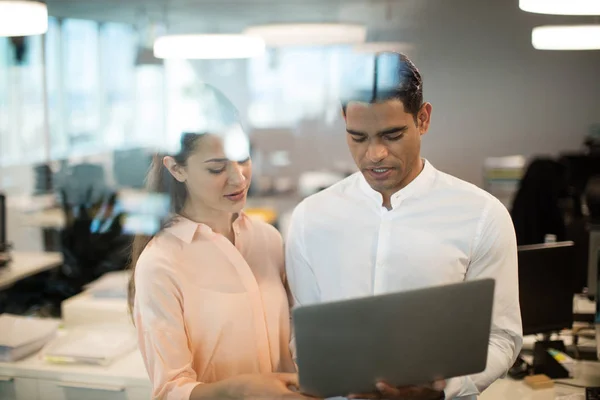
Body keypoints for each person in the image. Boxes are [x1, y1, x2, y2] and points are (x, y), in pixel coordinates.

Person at [285, 52, 522, 400]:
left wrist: (441, 389)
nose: (374, 154)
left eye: (391, 135)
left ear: (423, 119)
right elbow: (302, 330)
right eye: (358, 137)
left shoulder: (482, 215)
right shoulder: (310, 218)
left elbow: (502, 336)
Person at [128, 85, 311, 400]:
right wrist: (240, 390)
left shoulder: (267, 239)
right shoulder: (160, 264)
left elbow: (298, 335)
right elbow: (170, 390)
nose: (238, 178)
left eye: (243, 158)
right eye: (217, 167)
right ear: (177, 169)